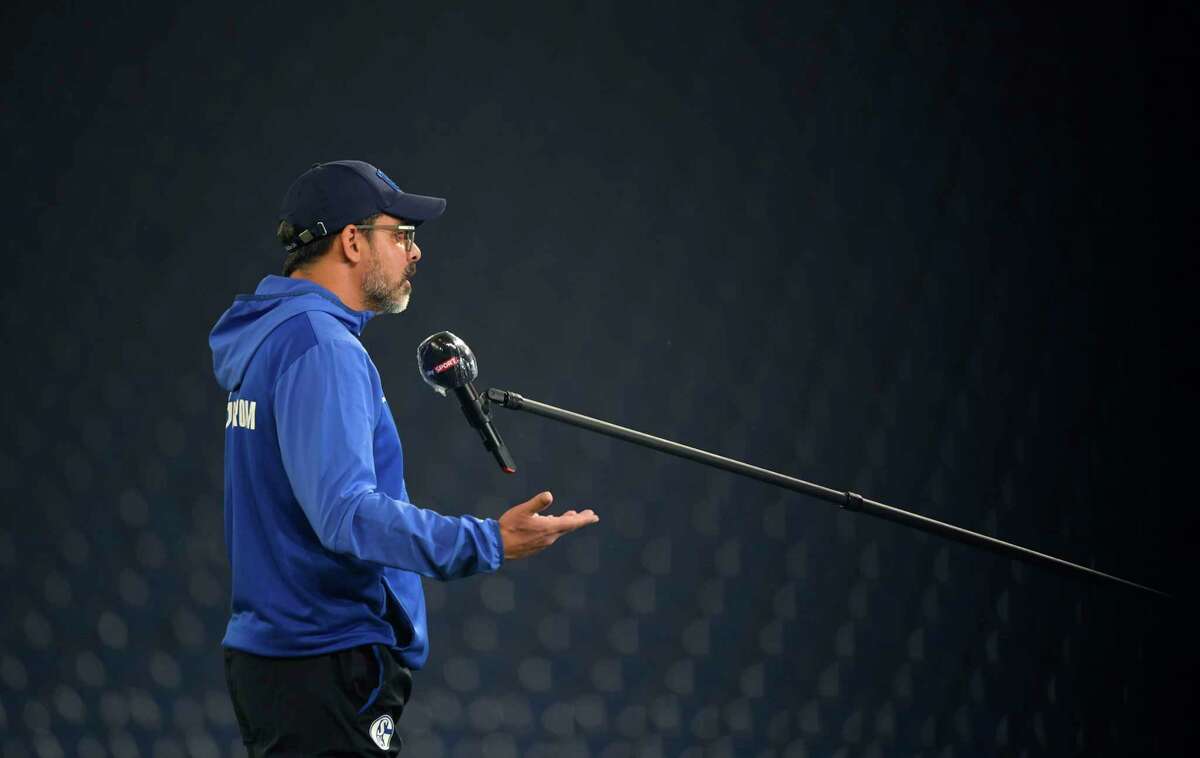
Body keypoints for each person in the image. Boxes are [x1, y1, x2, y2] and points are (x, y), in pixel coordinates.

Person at [208, 160, 599, 755]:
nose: (416, 254)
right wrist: (488, 540)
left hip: (281, 659)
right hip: (325, 659)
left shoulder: (273, 339)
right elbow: (346, 514)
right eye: (402, 236)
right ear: (352, 242)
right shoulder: (322, 346)